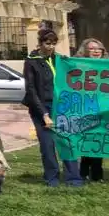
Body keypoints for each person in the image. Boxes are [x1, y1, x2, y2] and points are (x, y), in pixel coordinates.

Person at [22, 28, 82, 187]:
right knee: (47, 144)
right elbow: (31, 90)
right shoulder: (31, 61)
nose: (50, 47)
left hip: (62, 107)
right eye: (47, 43)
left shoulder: (59, 60)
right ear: (40, 43)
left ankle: (73, 178)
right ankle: (52, 178)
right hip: (41, 107)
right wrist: (44, 114)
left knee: (67, 141)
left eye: (53, 44)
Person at [76, 38, 107, 181]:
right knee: (88, 141)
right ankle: (84, 171)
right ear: (85, 51)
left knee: (100, 141)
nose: (96, 51)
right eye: (92, 49)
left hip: (104, 109)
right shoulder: (79, 66)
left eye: (98, 48)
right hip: (86, 109)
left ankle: (96, 173)